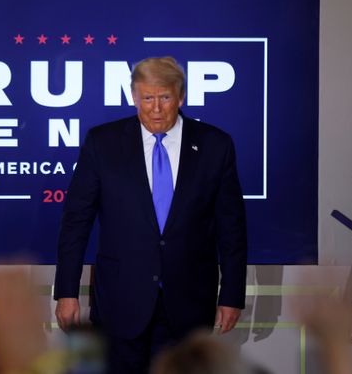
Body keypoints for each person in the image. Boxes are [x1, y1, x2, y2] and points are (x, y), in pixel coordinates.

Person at [54, 56, 247, 373]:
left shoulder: (215, 145)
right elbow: (76, 222)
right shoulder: (102, 143)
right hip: (120, 302)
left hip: (188, 305)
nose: (155, 108)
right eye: (147, 98)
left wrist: (231, 295)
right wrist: (66, 293)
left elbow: (232, 227)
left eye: (165, 98)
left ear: (180, 96)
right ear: (134, 97)